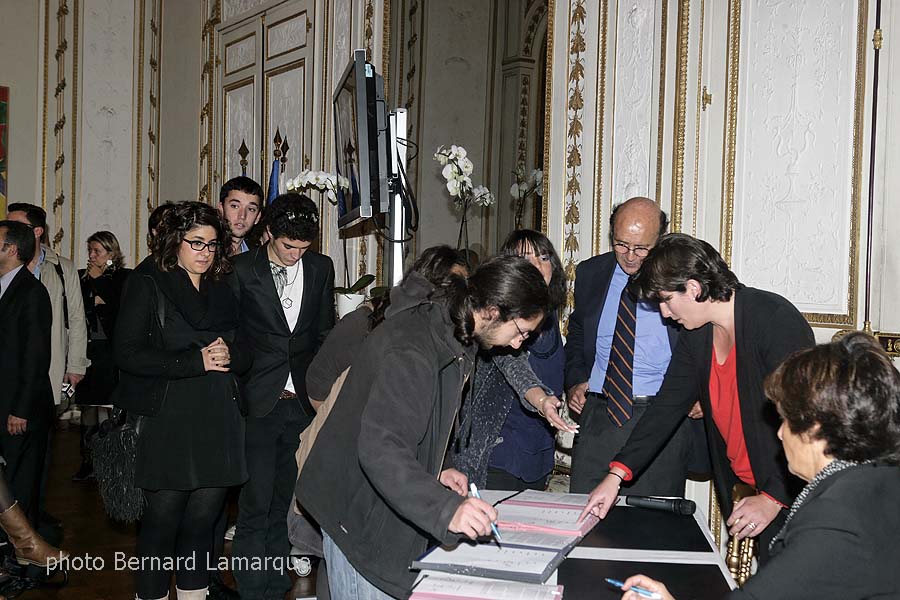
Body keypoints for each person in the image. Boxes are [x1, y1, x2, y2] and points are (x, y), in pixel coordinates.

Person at [297, 254, 551, 600]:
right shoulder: (415, 347)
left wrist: (440, 466)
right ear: (492, 311)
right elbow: (382, 448)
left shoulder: (455, 331)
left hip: (374, 497)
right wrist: (447, 510)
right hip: (354, 509)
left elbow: (417, 417)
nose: (519, 344)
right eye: (521, 332)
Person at [579, 233, 815, 561]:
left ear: (692, 288)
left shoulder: (773, 319)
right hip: (746, 485)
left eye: (666, 300)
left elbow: (806, 419)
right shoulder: (698, 333)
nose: (664, 313)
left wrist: (774, 497)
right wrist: (616, 475)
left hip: (792, 491)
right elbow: (667, 407)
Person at [617, 332, 900, 600]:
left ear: (815, 428)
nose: (780, 434)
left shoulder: (837, 517)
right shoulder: (881, 482)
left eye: (785, 420)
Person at [114, 202, 249, 600]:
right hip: (168, 419)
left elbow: (248, 348)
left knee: (202, 524)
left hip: (218, 416)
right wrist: (194, 361)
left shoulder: (223, 284)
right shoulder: (148, 281)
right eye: (196, 243)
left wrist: (232, 355)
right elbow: (127, 353)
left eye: (212, 244)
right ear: (175, 241)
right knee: (161, 525)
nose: (206, 252)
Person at [229, 192, 334, 600]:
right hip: (258, 402)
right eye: (289, 246)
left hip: (302, 405)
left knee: (286, 504)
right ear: (269, 231)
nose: (295, 255)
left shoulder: (321, 268)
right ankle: (251, 589)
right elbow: (233, 335)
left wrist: (321, 394)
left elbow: (324, 334)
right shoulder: (241, 269)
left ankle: (275, 585)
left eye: (303, 248)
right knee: (254, 503)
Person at [565, 197, 698, 496]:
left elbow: (705, 340)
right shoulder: (591, 273)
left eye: (641, 248)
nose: (629, 256)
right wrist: (575, 380)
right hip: (598, 415)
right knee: (585, 512)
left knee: (653, 518)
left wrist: (699, 393)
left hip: (661, 416)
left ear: (660, 239)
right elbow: (577, 332)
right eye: (621, 244)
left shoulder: (682, 280)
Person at [451, 229, 576, 491]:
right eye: (526, 258)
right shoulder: (499, 318)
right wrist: (541, 400)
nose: (538, 266)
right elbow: (513, 366)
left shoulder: (550, 320)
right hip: (499, 450)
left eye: (544, 257)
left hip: (538, 450)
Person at [5, 203, 89, 528]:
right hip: (14, 371)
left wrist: (76, 365)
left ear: (37, 231)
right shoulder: (6, 266)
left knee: (39, 448)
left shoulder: (61, 268)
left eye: (16, 224)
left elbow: (77, 318)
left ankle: (33, 515)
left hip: (51, 369)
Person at [0, 220, 64, 556]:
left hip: (20, 409)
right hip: (3, 402)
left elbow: (36, 356)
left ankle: (25, 555)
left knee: (21, 483)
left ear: (11, 249)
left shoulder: (31, 292)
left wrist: (20, 409)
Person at [71, 231, 131, 482]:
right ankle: (88, 462)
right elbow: (77, 310)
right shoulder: (81, 278)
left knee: (108, 406)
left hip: (110, 351)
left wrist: (99, 283)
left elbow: (121, 309)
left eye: (97, 251)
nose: (92, 256)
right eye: (90, 251)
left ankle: (110, 462)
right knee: (87, 406)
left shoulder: (124, 277)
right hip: (87, 350)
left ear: (111, 252)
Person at [218, 176, 264, 256]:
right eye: (235, 206)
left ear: (257, 217)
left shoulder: (257, 256)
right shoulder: (206, 253)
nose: (242, 216)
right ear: (221, 209)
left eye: (251, 209)